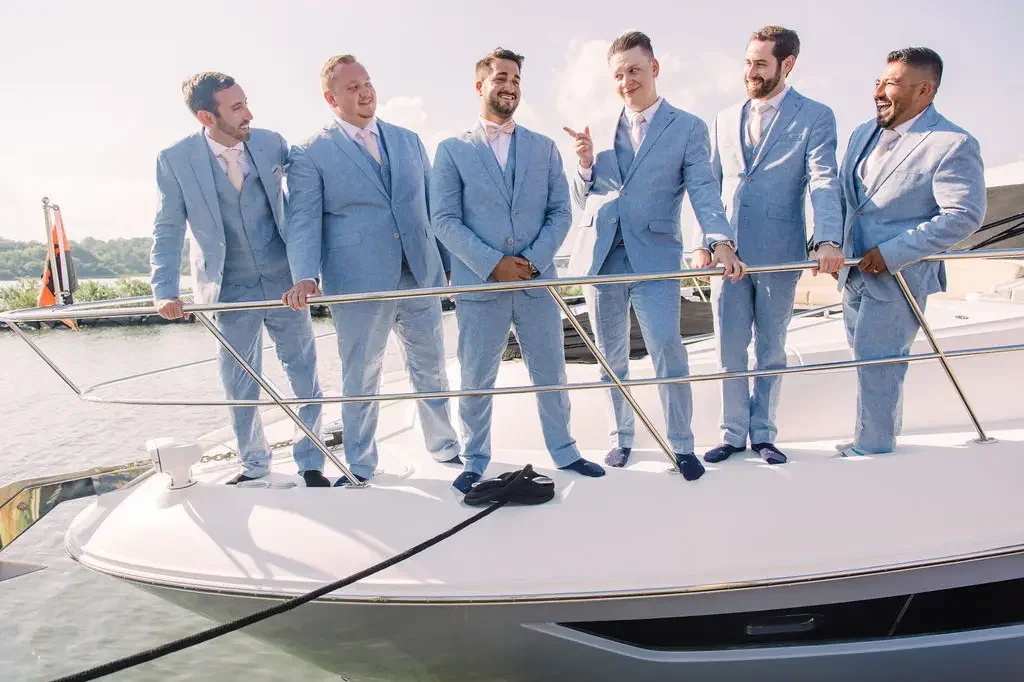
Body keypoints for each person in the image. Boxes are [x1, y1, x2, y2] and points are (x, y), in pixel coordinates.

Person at [564, 31, 744, 480]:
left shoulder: (686, 127)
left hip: (657, 255)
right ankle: (620, 438)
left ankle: (681, 444)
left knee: (668, 350)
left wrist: (719, 238)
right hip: (602, 259)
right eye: (619, 74)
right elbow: (586, 196)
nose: (627, 81)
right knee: (609, 356)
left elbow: (703, 190)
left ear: (655, 69)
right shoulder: (598, 128)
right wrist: (584, 164)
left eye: (635, 71)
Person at [431, 47, 605, 493]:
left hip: (537, 282)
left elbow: (559, 212)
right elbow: (444, 219)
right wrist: (493, 265)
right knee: (476, 379)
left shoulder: (545, 148)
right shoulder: (451, 151)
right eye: (501, 78)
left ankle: (565, 451)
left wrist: (531, 262)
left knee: (551, 373)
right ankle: (474, 458)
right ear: (480, 85)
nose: (509, 86)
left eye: (515, 79)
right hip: (480, 286)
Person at [283, 55, 462, 485]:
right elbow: (304, 219)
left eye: (367, 83)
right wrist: (306, 274)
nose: (365, 92)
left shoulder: (408, 139)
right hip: (356, 281)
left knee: (432, 367)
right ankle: (360, 464)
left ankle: (445, 449)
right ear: (331, 98)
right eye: (352, 87)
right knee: (361, 374)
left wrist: (451, 264)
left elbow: (434, 207)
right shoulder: (309, 153)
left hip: (419, 272)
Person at [150, 72, 325, 486]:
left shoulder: (271, 142)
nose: (249, 114)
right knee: (238, 383)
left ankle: (312, 462)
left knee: (304, 373)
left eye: (246, 102)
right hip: (227, 287)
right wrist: (164, 290)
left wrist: (307, 272)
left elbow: (307, 187)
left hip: (285, 282)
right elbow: (168, 227)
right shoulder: (174, 159)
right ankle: (255, 466)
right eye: (237, 108)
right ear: (207, 117)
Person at [698, 25, 844, 466]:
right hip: (728, 254)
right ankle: (731, 434)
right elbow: (707, 185)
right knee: (728, 349)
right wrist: (704, 242)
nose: (751, 71)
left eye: (761, 63)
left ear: (788, 64)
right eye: (747, 61)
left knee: (770, 348)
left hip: (779, 252)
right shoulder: (724, 117)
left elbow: (823, 180)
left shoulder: (816, 116)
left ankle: (763, 435)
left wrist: (828, 239)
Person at [836, 47, 985, 457]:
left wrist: (893, 252)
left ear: (925, 89)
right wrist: (832, 246)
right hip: (853, 273)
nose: (879, 92)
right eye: (878, 82)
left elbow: (964, 215)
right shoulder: (861, 133)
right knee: (864, 362)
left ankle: (873, 450)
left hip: (900, 273)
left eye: (892, 83)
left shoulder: (953, 143)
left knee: (879, 362)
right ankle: (871, 440)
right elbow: (847, 199)